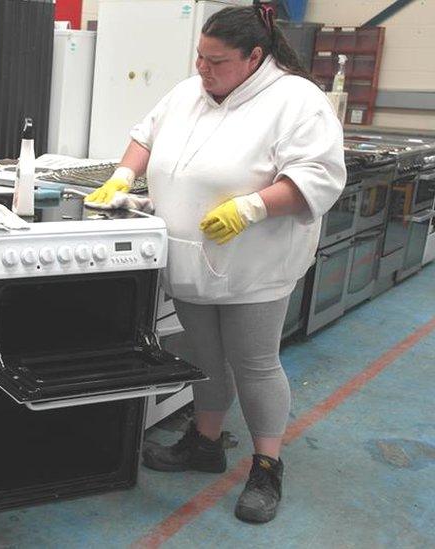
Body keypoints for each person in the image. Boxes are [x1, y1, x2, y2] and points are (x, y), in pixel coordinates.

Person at [87, 6, 345, 523]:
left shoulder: (296, 100)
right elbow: (146, 133)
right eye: (199, 57)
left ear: (254, 57)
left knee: (254, 363)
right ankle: (205, 444)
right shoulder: (189, 91)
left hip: (255, 265)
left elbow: (319, 175)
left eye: (216, 61)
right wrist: (122, 174)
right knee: (202, 358)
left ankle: (267, 466)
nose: (203, 69)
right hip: (188, 256)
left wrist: (252, 206)